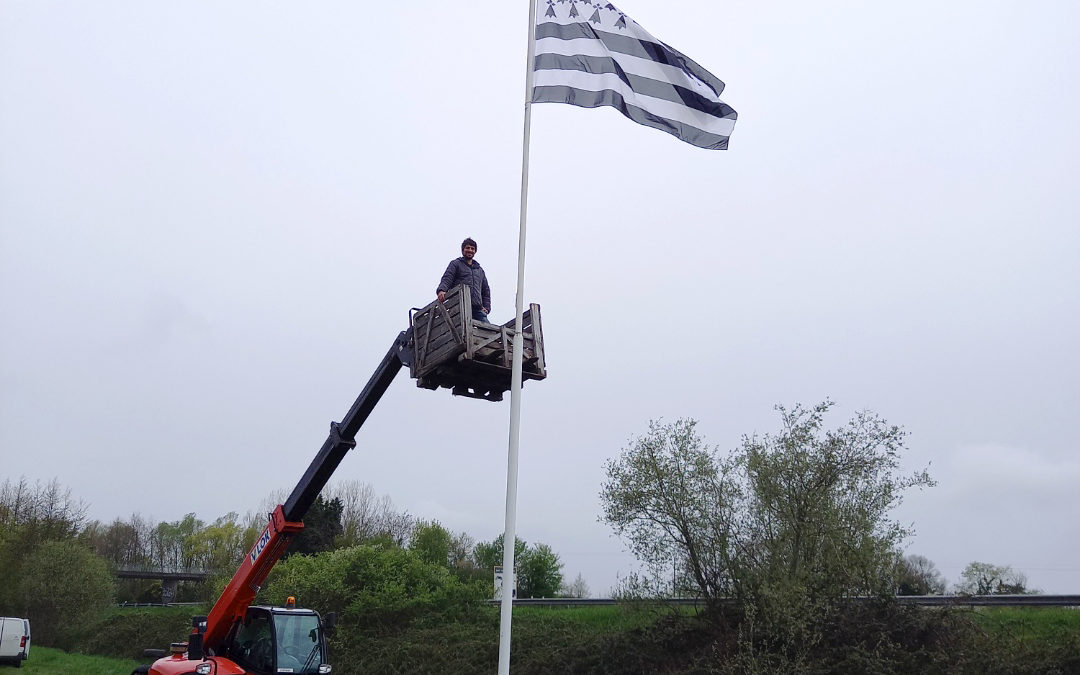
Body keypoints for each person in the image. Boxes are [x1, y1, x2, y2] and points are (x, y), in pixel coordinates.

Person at [437, 237, 491, 323]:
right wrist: (442, 290)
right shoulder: (456, 264)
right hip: (459, 305)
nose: (470, 250)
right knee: (462, 329)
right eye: (467, 248)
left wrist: (487, 308)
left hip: (477, 308)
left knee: (488, 331)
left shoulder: (479, 270)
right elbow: (447, 278)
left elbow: (486, 291)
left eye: (472, 248)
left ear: (475, 251)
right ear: (463, 250)